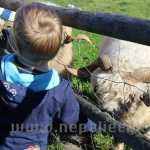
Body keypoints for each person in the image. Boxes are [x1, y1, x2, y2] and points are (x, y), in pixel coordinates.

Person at [0, 3, 95, 150]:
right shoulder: (59, 90)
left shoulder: (1, 71)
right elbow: (72, 122)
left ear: (15, 44)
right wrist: (98, 125)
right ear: (57, 50)